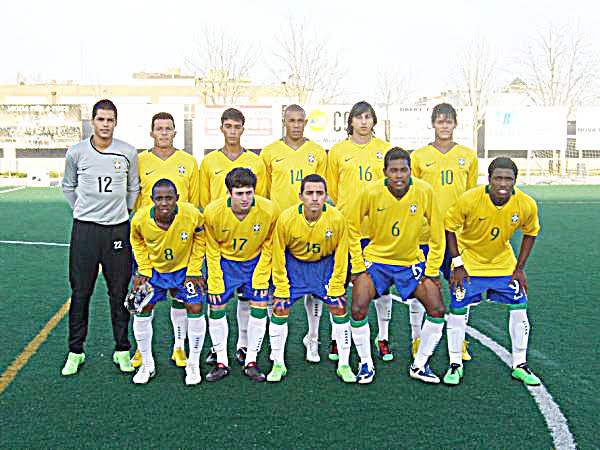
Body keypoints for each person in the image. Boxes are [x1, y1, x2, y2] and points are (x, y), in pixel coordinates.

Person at [348, 148, 446, 384]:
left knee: (437, 309)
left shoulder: (424, 191)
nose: (399, 175)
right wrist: (358, 265)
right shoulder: (371, 193)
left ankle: (420, 364)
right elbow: (351, 227)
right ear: (385, 172)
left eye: (404, 170)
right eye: (394, 170)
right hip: (377, 261)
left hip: (410, 262)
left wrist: (432, 270)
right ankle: (365, 363)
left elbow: (437, 234)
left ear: (410, 171)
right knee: (358, 307)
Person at [443, 157, 541, 386]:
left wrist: (519, 269)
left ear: (515, 180)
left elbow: (531, 232)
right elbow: (450, 227)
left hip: (503, 263)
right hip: (469, 263)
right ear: (489, 179)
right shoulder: (470, 199)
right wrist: (457, 263)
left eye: (509, 179)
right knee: (457, 309)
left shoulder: (526, 204)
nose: (503, 183)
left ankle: (520, 364)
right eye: (498, 178)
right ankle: (455, 364)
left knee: (519, 307)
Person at [61, 99, 139, 376]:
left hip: (117, 230)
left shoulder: (127, 152)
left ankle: (121, 350)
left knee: (119, 293)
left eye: (110, 120)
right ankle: (75, 351)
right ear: (92, 121)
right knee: (81, 292)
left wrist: (122, 211)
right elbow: (68, 186)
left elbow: (134, 188)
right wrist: (83, 211)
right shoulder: (77, 152)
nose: (105, 125)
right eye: (101, 119)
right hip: (85, 231)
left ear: (116, 122)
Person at [268, 174, 355, 383]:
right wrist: (281, 286)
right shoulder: (287, 219)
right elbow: (278, 254)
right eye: (309, 193)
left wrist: (336, 286)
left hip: (323, 266)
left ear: (326, 196)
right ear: (301, 196)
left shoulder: (336, 219)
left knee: (339, 307)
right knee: (279, 307)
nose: (314, 198)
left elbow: (342, 255)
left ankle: (344, 363)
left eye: (319, 193)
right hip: (295, 266)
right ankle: (278, 363)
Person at [131, 112, 200, 370]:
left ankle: (178, 347)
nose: (163, 132)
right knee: (144, 295)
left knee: (180, 297)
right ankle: (141, 349)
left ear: (174, 133)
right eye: (158, 128)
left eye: (168, 128)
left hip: (180, 239)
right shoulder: (139, 160)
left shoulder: (188, 162)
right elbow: (134, 195)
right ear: (151, 133)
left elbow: (193, 202)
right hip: (151, 242)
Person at [410, 103, 478, 361]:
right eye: (440, 121)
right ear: (433, 124)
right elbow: (412, 194)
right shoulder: (419, 156)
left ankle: (459, 341)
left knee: (460, 288)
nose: (444, 125)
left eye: (448, 121)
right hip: (425, 235)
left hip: (456, 236)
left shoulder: (468, 156)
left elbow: (472, 196)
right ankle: (417, 339)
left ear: (455, 124)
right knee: (419, 289)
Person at [260, 104, 328, 363]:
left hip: (311, 229)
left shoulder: (317, 152)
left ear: (306, 122)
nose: (296, 125)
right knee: (275, 286)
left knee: (314, 288)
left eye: (301, 120)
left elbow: (322, 192)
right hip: (279, 230)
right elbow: (263, 195)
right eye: (292, 120)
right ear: (284, 121)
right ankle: (273, 341)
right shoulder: (269, 152)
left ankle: (313, 338)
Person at [199, 108, 267, 367]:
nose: (232, 131)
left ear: (243, 129)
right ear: (221, 128)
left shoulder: (256, 161)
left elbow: (261, 198)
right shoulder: (209, 162)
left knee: (247, 298)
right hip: (220, 235)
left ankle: (243, 345)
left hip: (248, 236)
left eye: (237, 126)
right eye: (228, 126)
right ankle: (218, 351)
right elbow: (205, 200)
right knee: (216, 296)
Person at [327, 101, 393, 362]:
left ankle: (383, 337)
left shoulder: (385, 150)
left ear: (374, 121)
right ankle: (337, 338)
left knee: (381, 287)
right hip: (346, 229)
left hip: (377, 230)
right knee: (339, 283)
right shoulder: (338, 151)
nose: (364, 122)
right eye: (359, 117)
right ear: (350, 121)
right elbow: (334, 189)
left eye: (368, 117)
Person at [203, 168, 278, 382]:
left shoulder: (269, 210)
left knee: (259, 307)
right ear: (229, 193)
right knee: (216, 307)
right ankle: (221, 362)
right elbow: (212, 249)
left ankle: (251, 361)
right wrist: (216, 281)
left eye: (249, 192)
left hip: (254, 263)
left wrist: (261, 275)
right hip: (225, 263)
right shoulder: (212, 212)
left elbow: (269, 244)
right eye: (239, 193)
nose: (245, 198)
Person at [129, 179, 206, 385]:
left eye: (169, 198)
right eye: (160, 198)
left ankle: (193, 363)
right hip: (154, 271)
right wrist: (143, 269)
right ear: (152, 199)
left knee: (195, 306)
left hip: (183, 272)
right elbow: (136, 241)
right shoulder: (140, 219)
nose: (164, 203)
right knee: (141, 308)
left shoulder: (190, 214)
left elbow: (200, 236)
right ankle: (147, 363)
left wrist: (194, 269)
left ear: (177, 199)